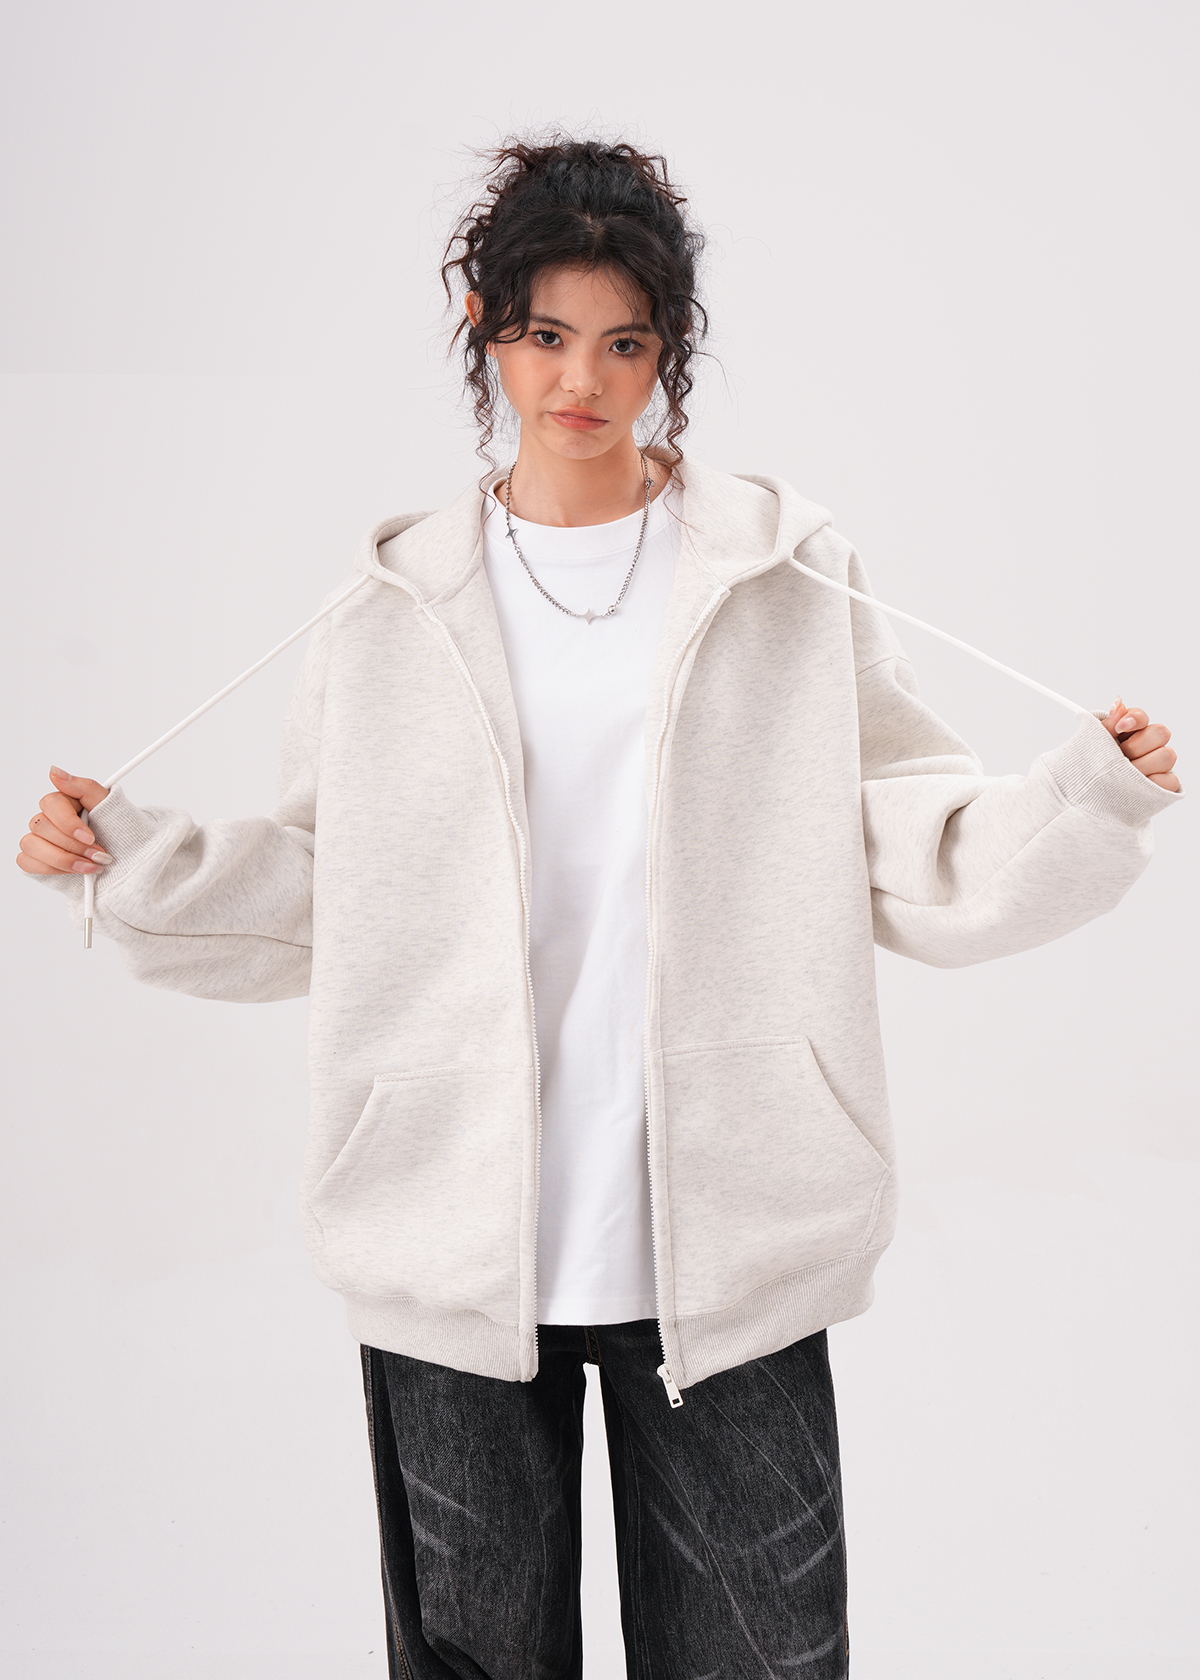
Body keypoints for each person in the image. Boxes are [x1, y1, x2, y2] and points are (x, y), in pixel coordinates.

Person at [17, 138, 1182, 1680]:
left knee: (764, 1662)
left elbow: (912, 838)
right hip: (450, 1238)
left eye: (625, 343)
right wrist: (127, 858)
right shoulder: (391, 608)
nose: (582, 380)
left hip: (735, 1238)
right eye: (546, 334)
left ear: (668, 350)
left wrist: (1086, 796)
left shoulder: (781, 574)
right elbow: (325, 891)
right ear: (486, 331)